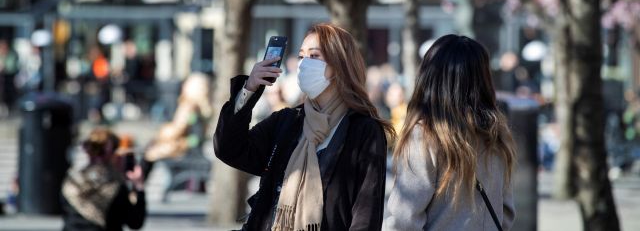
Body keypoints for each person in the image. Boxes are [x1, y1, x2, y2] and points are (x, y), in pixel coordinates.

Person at [214, 23, 393, 231]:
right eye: (301, 56)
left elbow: (365, 213)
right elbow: (229, 149)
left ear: (340, 64)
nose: (304, 64)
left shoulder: (363, 130)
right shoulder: (288, 121)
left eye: (314, 56)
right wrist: (249, 89)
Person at [384, 35, 516, 231]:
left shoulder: (425, 135)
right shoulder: (496, 135)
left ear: (429, 79)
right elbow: (506, 212)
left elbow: (405, 218)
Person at [61, 127, 146, 231]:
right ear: (112, 153)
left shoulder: (71, 181)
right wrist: (139, 187)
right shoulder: (115, 186)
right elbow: (135, 222)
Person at [142, 73, 212, 178]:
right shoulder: (205, 108)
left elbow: (177, 130)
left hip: (182, 149)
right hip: (191, 148)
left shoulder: (188, 106)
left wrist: (162, 132)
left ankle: (139, 185)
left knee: (149, 153)